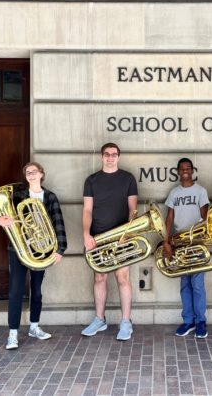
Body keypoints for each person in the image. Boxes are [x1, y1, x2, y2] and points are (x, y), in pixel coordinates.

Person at [0, 162, 68, 350]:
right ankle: (13, 334)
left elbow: (58, 222)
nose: (31, 174)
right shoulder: (17, 194)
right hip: (18, 250)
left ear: (42, 174)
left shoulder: (50, 197)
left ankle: (34, 327)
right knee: (15, 291)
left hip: (41, 250)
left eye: (35, 172)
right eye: (28, 172)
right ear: (25, 176)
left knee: (36, 290)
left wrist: (60, 249)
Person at [81, 143, 138, 341]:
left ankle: (126, 322)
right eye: (107, 154)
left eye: (114, 154)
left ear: (119, 157)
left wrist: (128, 233)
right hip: (98, 237)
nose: (111, 157)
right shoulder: (91, 180)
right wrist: (86, 234)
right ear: (102, 157)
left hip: (121, 237)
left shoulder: (128, 178)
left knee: (122, 278)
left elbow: (133, 209)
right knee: (99, 278)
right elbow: (87, 210)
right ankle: (99, 319)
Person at [162, 158, 210, 339]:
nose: (185, 171)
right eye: (182, 168)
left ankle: (200, 322)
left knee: (197, 284)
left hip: (197, 243)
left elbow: (206, 218)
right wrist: (166, 241)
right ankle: (188, 320)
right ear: (177, 171)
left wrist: (201, 238)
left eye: (188, 168)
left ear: (192, 170)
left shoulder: (201, 191)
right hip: (179, 243)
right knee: (185, 285)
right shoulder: (174, 193)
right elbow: (169, 219)